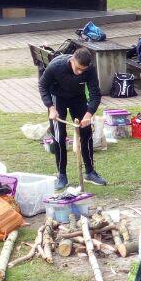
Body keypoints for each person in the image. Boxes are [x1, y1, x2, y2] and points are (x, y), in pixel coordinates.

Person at [38, 47, 104, 189]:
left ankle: (90, 172)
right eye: (78, 68)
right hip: (58, 98)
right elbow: (42, 86)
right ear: (72, 60)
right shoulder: (56, 66)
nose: (80, 72)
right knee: (59, 136)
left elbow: (95, 94)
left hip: (77, 98)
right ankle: (62, 175)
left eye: (83, 70)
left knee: (86, 133)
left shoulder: (90, 69)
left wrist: (89, 114)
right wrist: (51, 107)